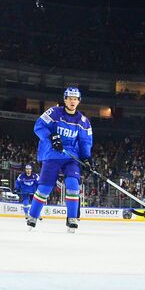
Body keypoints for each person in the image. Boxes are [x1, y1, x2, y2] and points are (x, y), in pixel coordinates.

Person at [27, 87, 93, 231]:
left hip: (71, 157)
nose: (72, 101)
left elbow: (85, 142)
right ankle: (32, 216)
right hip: (52, 154)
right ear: (64, 99)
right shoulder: (54, 112)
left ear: (79, 101)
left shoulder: (83, 121)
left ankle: (72, 218)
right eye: (70, 98)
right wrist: (51, 137)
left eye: (75, 99)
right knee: (45, 188)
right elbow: (39, 126)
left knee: (73, 185)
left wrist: (86, 158)